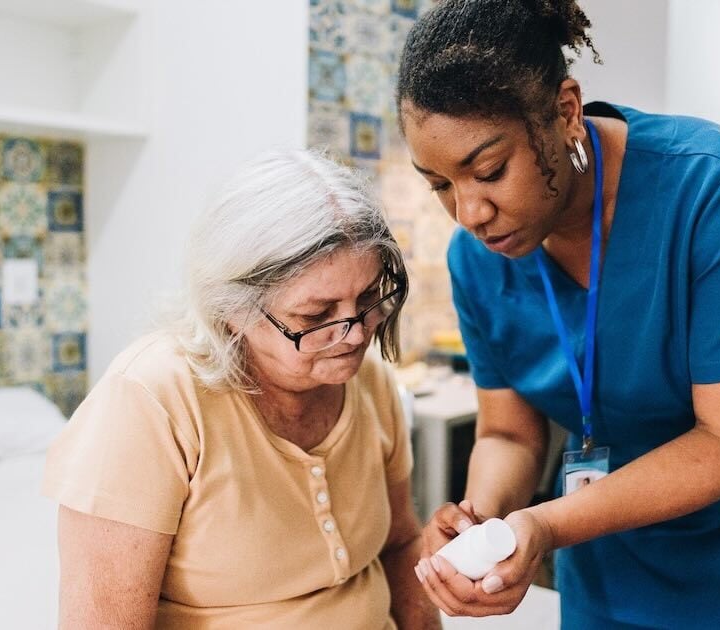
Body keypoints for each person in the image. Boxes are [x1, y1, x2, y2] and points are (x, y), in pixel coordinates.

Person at [394, 1, 720, 628]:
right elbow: (508, 433)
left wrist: (541, 525)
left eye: (489, 171)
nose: (469, 213)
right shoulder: (478, 258)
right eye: (439, 185)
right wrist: (484, 524)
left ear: (565, 111)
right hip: (605, 544)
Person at [41, 150, 439, 629]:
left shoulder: (369, 379)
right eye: (315, 316)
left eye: (370, 298)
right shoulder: (152, 399)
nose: (355, 334)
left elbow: (399, 545)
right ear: (234, 308)